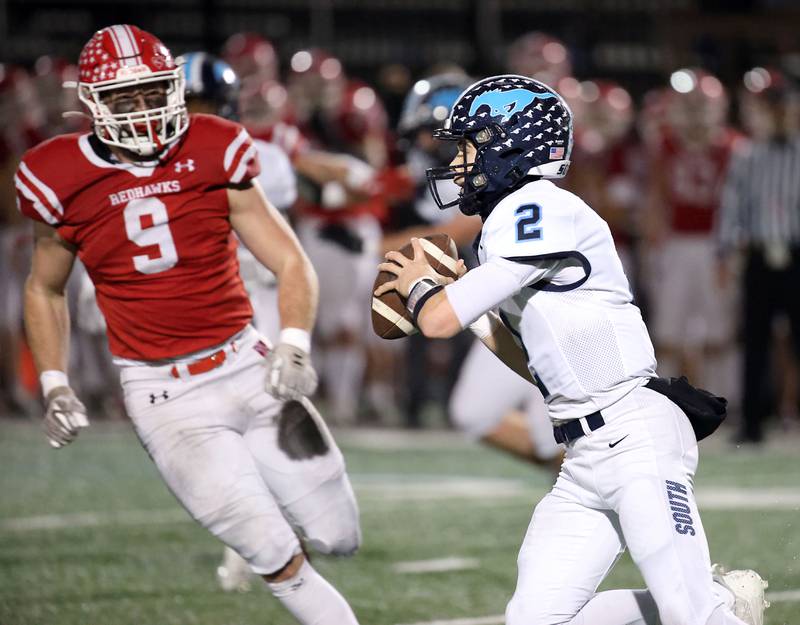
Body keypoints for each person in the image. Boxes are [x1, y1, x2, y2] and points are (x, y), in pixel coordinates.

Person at [375, 74, 768, 625]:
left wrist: (423, 289)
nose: (458, 162)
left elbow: (436, 320)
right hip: (585, 456)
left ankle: (713, 604)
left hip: (633, 435)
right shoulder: (505, 225)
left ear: (509, 147)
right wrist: (473, 313)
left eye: (468, 146)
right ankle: (719, 597)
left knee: (690, 615)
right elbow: (532, 367)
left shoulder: (538, 207)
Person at [16, 25, 361, 625]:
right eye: (126, 99)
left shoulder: (212, 145)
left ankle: (279, 495)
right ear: (94, 103)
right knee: (274, 557)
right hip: (165, 397)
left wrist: (294, 344)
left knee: (339, 537)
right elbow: (43, 287)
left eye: (153, 94)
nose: (144, 111)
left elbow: (289, 259)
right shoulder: (58, 175)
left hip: (249, 366)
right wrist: (55, 383)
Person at [716, 68, 800, 444]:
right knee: (755, 340)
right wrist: (725, 250)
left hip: (797, 255)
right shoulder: (747, 154)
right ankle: (752, 421)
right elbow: (733, 206)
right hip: (761, 256)